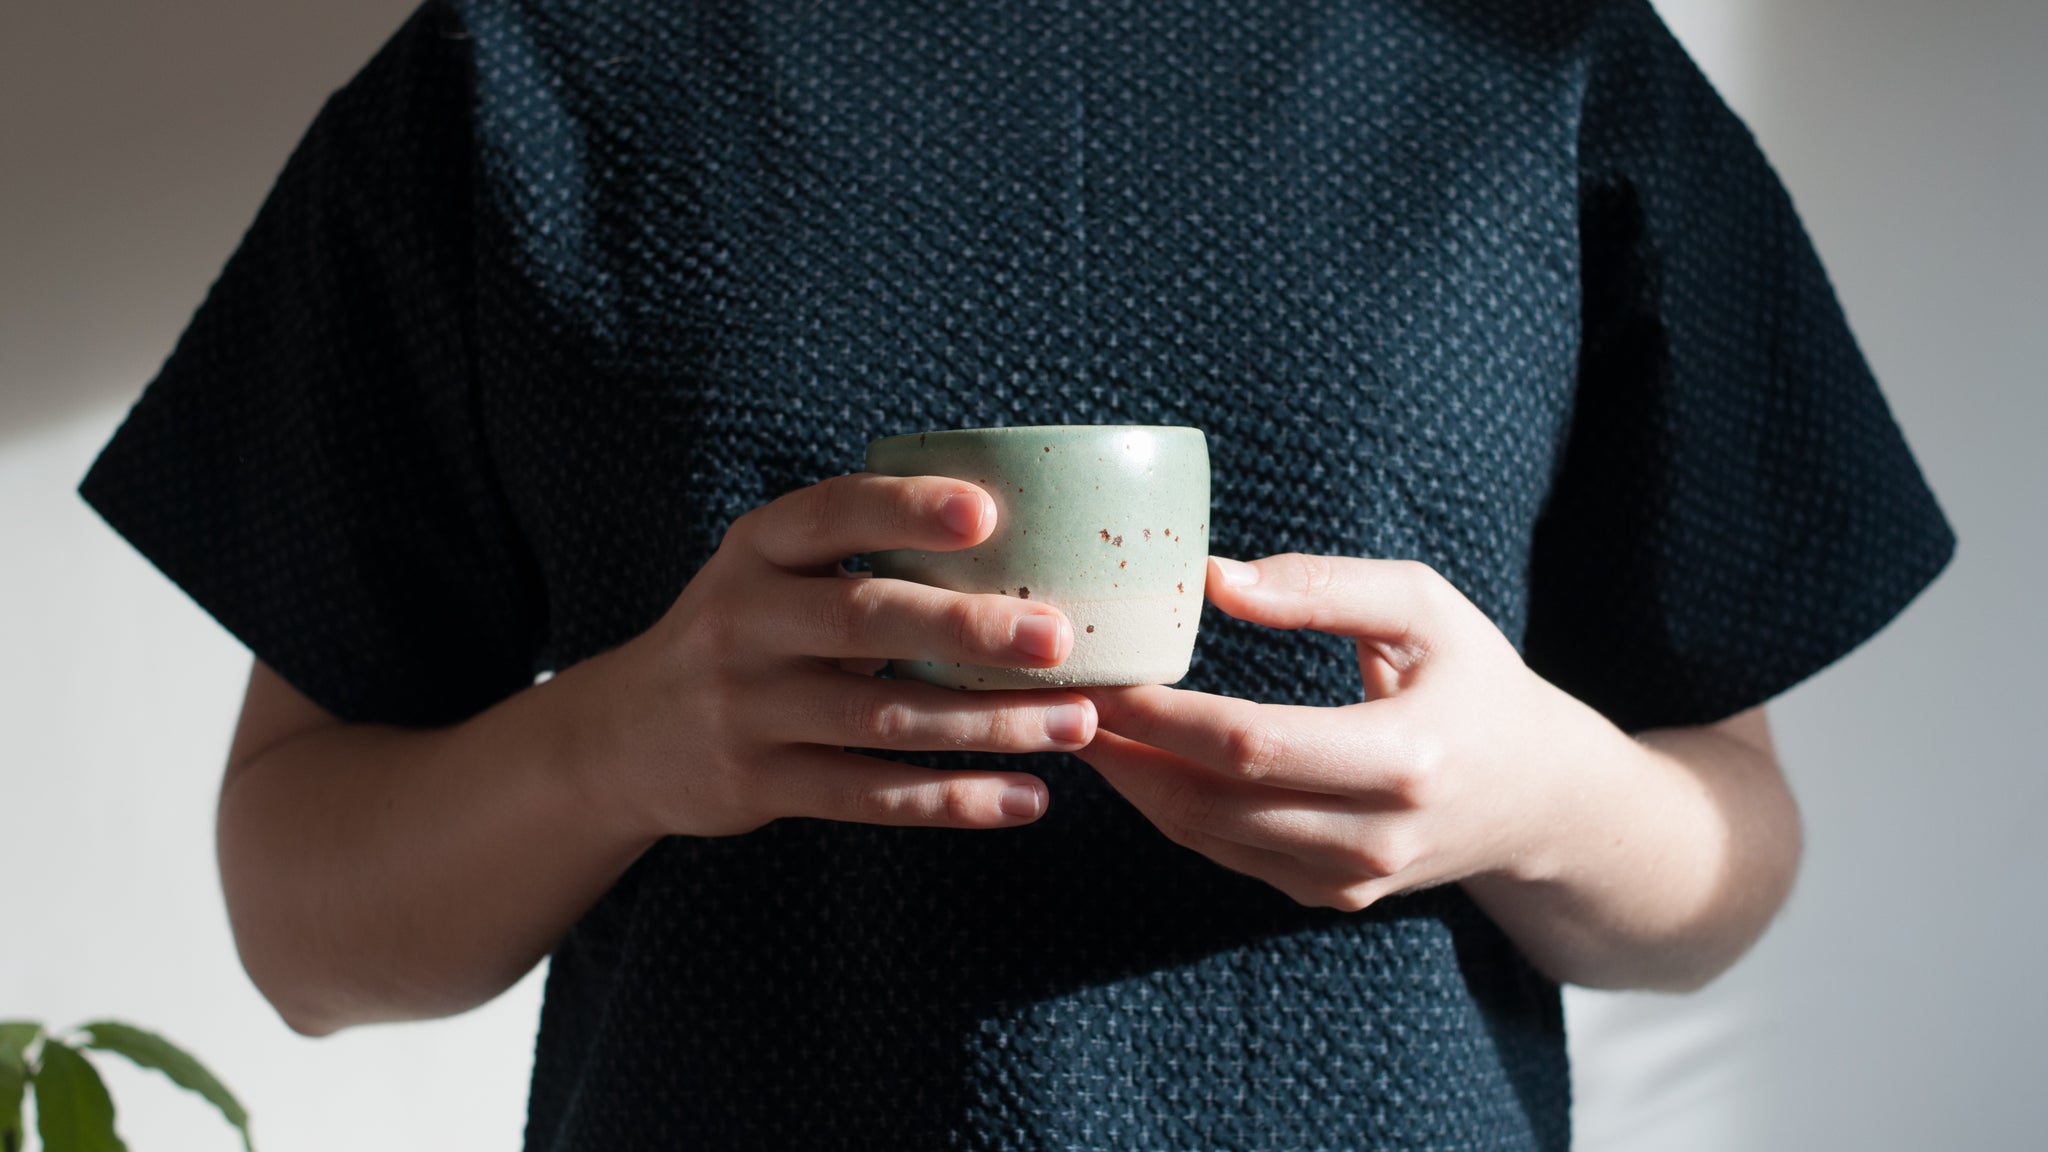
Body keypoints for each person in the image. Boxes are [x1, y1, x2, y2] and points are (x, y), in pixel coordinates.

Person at [79, 0, 1954, 1148]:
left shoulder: (1534, 57)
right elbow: (301, 923)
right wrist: (616, 750)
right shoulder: (535, 59)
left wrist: (1530, 797)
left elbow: (1723, 863)